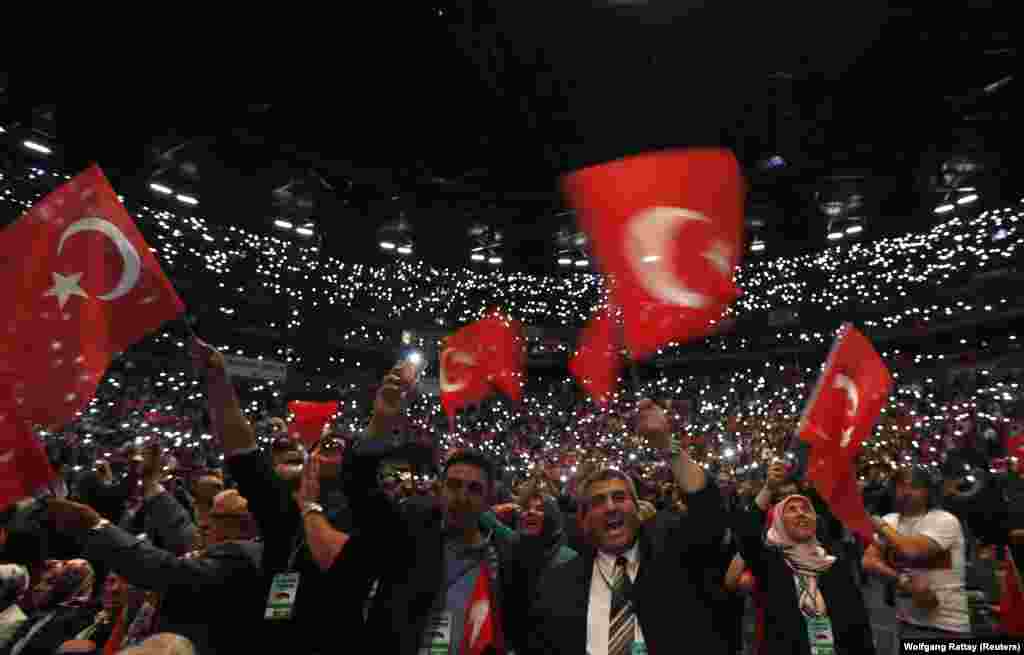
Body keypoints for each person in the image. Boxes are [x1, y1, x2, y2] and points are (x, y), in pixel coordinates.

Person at [525, 399, 729, 655]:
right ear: (584, 519)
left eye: (620, 497)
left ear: (637, 508)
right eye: (598, 501)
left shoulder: (676, 553)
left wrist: (666, 443)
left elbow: (708, 512)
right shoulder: (558, 584)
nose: (611, 507)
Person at [45, 487, 263, 655]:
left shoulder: (244, 555)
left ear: (243, 524)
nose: (205, 524)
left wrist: (97, 526)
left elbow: (166, 572)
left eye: (215, 519)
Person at [732, 462, 875, 655]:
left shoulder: (832, 561)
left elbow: (857, 622)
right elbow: (747, 533)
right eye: (791, 509)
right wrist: (768, 488)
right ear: (778, 520)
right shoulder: (770, 560)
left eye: (805, 509)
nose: (800, 513)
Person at [862, 467, 972, 639]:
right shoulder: (891, 519)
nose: (906, 492)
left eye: (914, 486)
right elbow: (869, 561)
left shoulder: (943, 520)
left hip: (947, 626)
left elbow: (911, 550)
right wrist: (904, 583)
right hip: (907, 623)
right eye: (900, 486)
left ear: (928, 491)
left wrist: (881, 526)